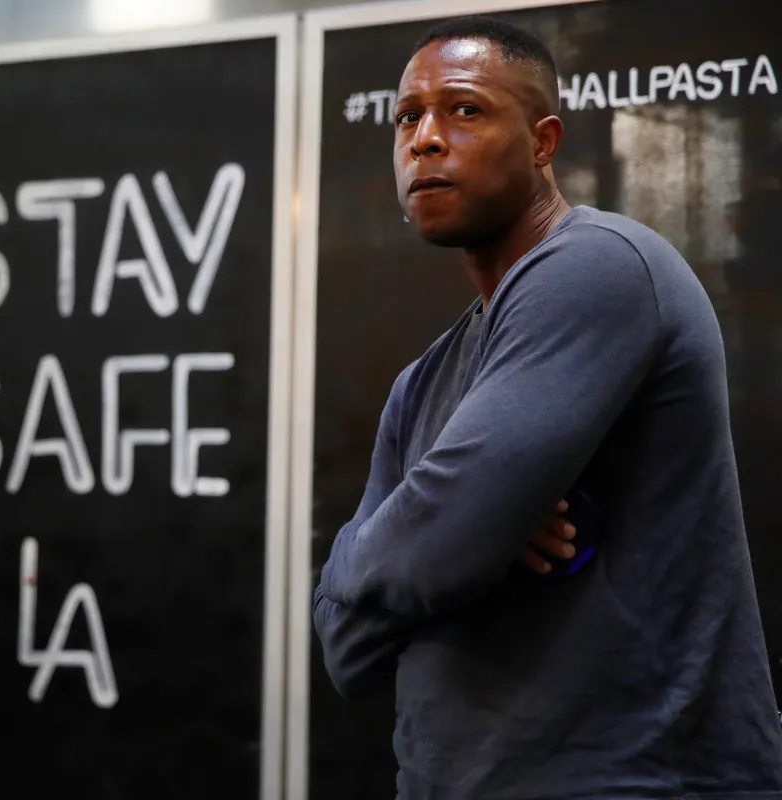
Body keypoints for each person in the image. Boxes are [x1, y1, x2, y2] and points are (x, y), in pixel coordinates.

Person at [312, 16, 782, 799]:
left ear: (543, 141)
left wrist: (445, 531)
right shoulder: (421, 383)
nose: (425, 139)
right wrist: (468, 525)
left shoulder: (599, 266)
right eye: (407, 117)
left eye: (464, 110)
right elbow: (344, 649)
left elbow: (445, 541)